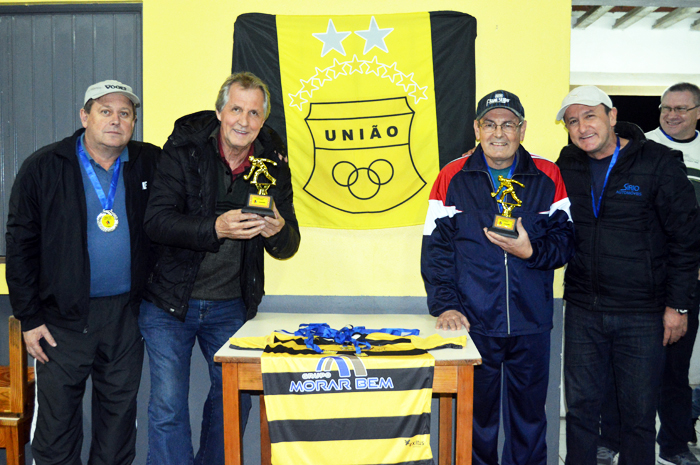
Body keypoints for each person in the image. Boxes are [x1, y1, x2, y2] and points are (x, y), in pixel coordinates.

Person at [139, 71, 300, 465]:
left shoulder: (272, 165)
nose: (244, 121)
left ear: (263, 121)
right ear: (219, 111)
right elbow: (156, 222)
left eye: (254, 113)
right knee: (168, 407)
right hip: (169, 303)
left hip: (231, 306)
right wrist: (215, 227)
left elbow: (289, 243)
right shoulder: (182, 151)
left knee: (234, 401)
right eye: (236, 109)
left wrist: (277, 232)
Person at [6, 80, 159, 465]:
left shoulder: (150, 163)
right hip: (60, 320)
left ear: (134, 123)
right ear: (84, 116)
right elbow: (20, 246)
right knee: (56, 429)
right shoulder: (43, 167)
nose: (115, 120)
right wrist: (29, 317)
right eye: (105, 111)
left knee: (118, 423)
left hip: (126, 316)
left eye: (125, 113)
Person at [421, 90, 575, 465]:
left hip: (532, 323)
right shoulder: (451, 176)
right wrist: (446, 306)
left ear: (522, 129)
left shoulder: (548, 175)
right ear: (477, 129)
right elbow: (436, 251)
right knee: (476, 421)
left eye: (508, 124)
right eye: (490, 124)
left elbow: (566, 241)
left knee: (529, 420)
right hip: (475, 324)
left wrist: (531, 252)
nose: (499, 133)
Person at [556, 85, 700, 465]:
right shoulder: (567, 164)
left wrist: (678, 306)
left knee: (638, 415)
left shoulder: (659, 162)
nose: (582, 127)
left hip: (643, 313)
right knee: (582, 410)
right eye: (573, 121)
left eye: (590, 116)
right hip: (585, 308)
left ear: (612, 116)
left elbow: (686, 240)